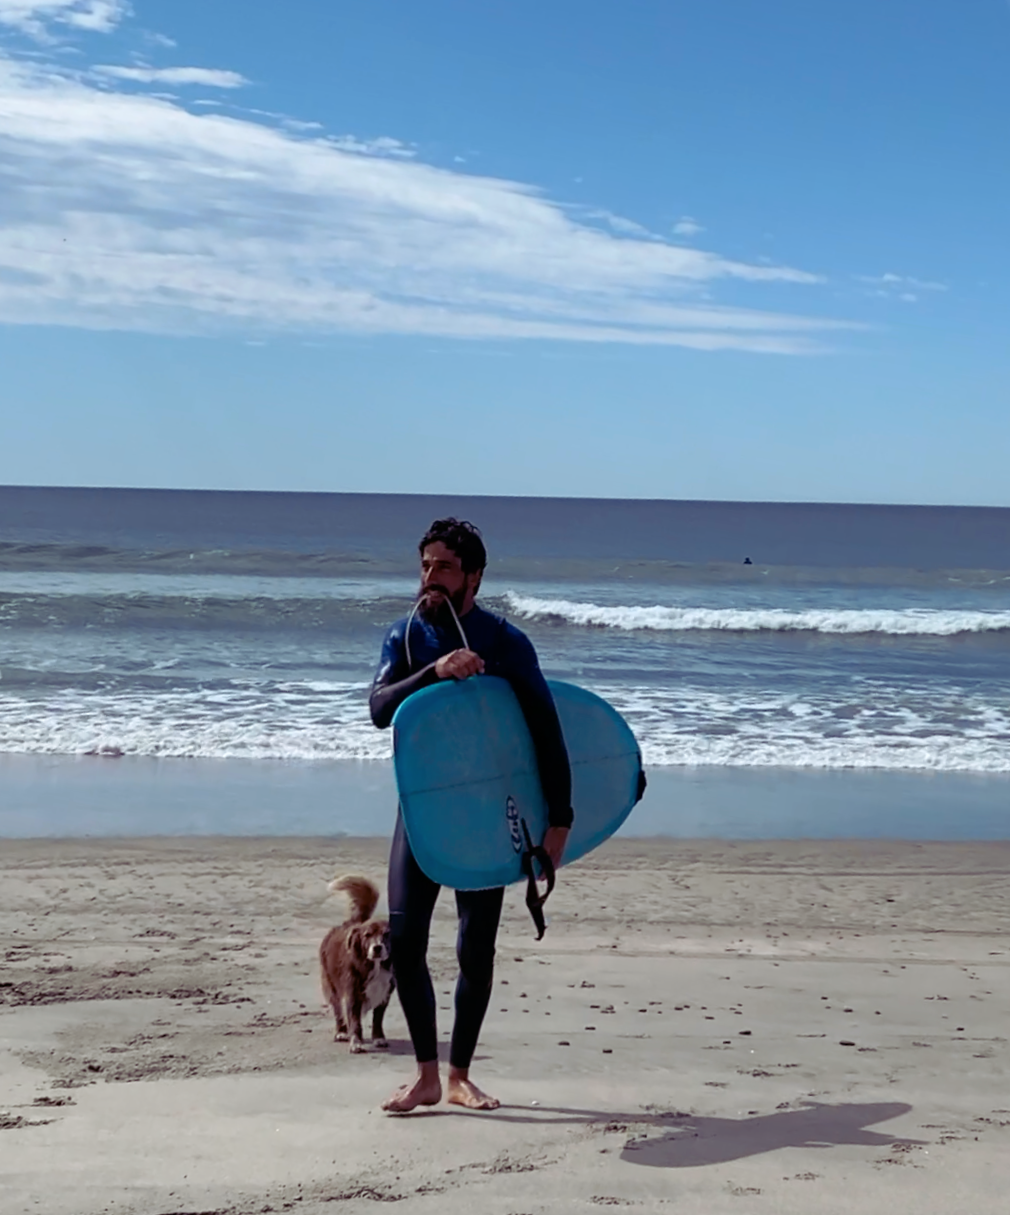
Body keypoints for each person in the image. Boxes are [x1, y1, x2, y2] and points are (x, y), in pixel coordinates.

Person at [369, 517, 573, 1113]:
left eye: (446, 568)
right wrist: (435, 671)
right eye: (426, 565)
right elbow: (380, 708)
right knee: (405, 941)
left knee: (473, 947)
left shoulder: (507, 643)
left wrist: (558, 819)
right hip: (422, 810)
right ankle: (426, 1076)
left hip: (486, 814)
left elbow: (545, 729)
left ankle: (459, 1074)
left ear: (474, 577)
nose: (431, 578)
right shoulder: (404, 638)